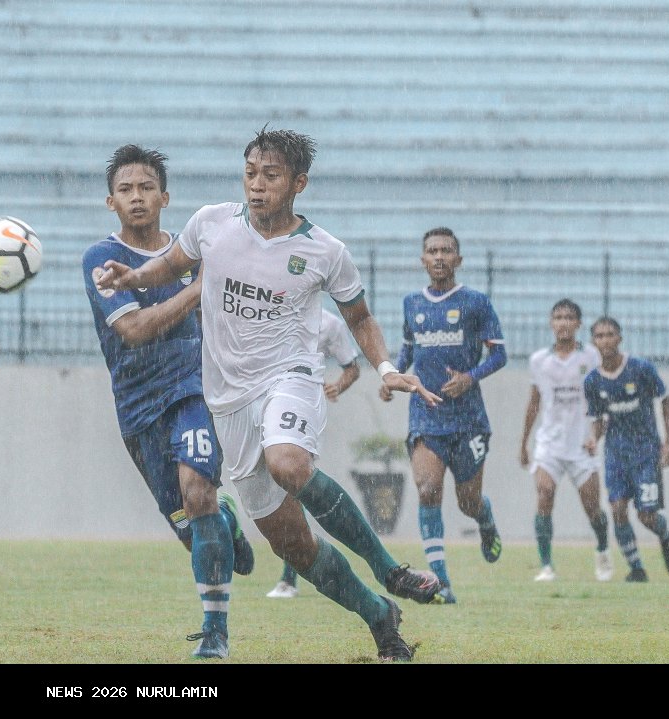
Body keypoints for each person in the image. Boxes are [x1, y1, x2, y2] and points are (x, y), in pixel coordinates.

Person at [95, 127, 442, 662]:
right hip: (227, 399)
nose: (257, 186)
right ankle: (379, 616)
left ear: (298, 183)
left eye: (271, 176)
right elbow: (171, 266)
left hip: (289, 378)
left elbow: (360, 316)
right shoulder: (212, 223)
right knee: (294, 547)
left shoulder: (326, 250)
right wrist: (134, 274)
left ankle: (389, 569)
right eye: (251, 174)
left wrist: (386, 366)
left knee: (288, 463)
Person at [82, 144, 255, 660]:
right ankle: (224, 521)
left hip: (193, 391)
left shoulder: (194, 251)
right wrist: (199, 289)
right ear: (111, 202)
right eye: (125, 189)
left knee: (196, 492)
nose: (137, 197)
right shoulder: (102, 259)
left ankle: (215, 634)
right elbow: (135, 330)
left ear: (165, 196)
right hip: (137, 406)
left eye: (146, 188)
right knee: (191, 523)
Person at [380, 227, 506, 605]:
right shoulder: (411, 304)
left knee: (467, 501)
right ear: (422, 260)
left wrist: (471, 377)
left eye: (446, 251)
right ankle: (441, 582)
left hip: (468, 418)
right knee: (427, 489)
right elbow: (407, 349)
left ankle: (484, 519)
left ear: (458, 259)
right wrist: (394, 375)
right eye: (432, 251)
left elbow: (499, 355)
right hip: (426, 413)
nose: (439, 256)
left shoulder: (475, 302)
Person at [267, 308, 360, 599]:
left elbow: (352, 367)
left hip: (300, 409)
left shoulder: (329, 323)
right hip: (262, 401)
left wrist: (337, 386)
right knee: (273, 486)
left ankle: (288, 577)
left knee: (294, 486)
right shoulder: (271, 309)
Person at [519, 299, 612, 581]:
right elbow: (534, 402)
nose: (563, 322)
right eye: (558, 317)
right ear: (551, 323)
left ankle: (603, 550)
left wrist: (596, 435)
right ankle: (546, 565)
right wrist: (523, 442)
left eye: (569, 317)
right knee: (545, 494)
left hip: (582, 444)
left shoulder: (591, 357)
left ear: (578, 324)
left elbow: (601, 403)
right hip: (549, 443)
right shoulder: (539, 360)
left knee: (593, 508)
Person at [583, 316, 669, 582]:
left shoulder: (641, 369)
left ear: (619, 338)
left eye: (610, 334)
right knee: (617, 509)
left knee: (647, 516)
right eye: (599, 336)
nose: (605, 340)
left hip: (646, 453)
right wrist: (593, 439)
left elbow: (665, 401)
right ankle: (636, 568)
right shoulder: (592, 381)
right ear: (593, 342)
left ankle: (666, 537)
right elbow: (598, 420)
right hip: (615, 455)